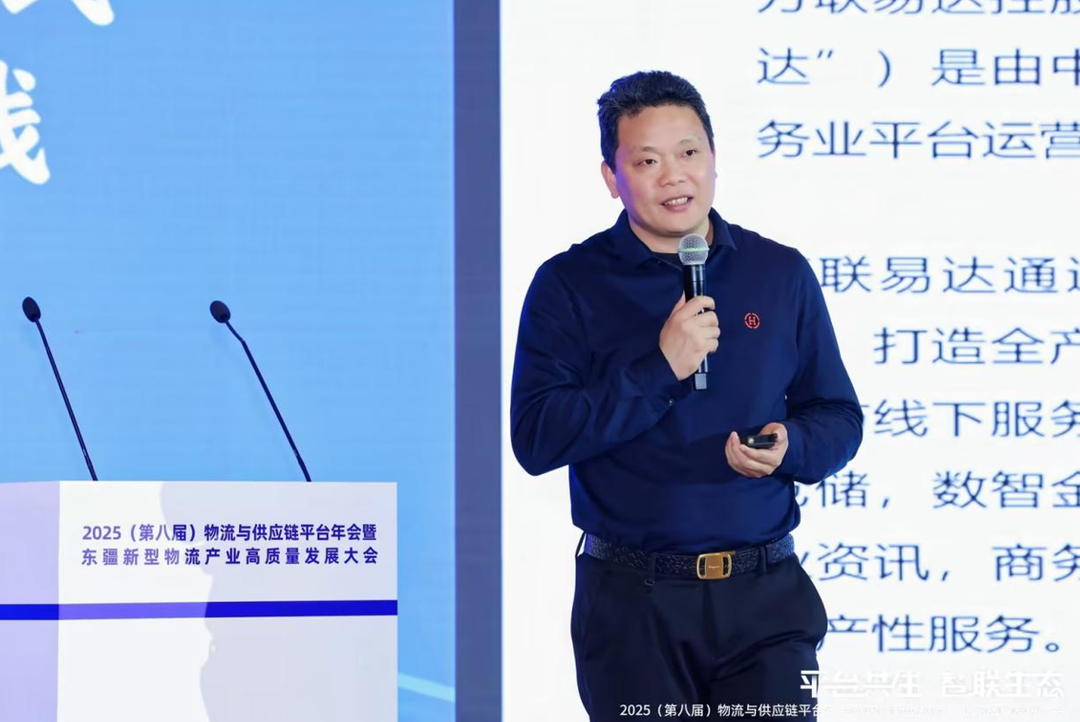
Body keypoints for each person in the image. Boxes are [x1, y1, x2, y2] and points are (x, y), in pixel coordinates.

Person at [509, 71, 864, 721]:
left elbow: (837, 414)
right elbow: (536, 438)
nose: (674, 176)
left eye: (689, 152)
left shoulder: (777, 272)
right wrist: (660, 369)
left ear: (715, 159)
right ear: (612, 178)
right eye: (647, 161)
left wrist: (791, 445)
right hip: (632, 605)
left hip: (766, 599)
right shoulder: (569, 284)